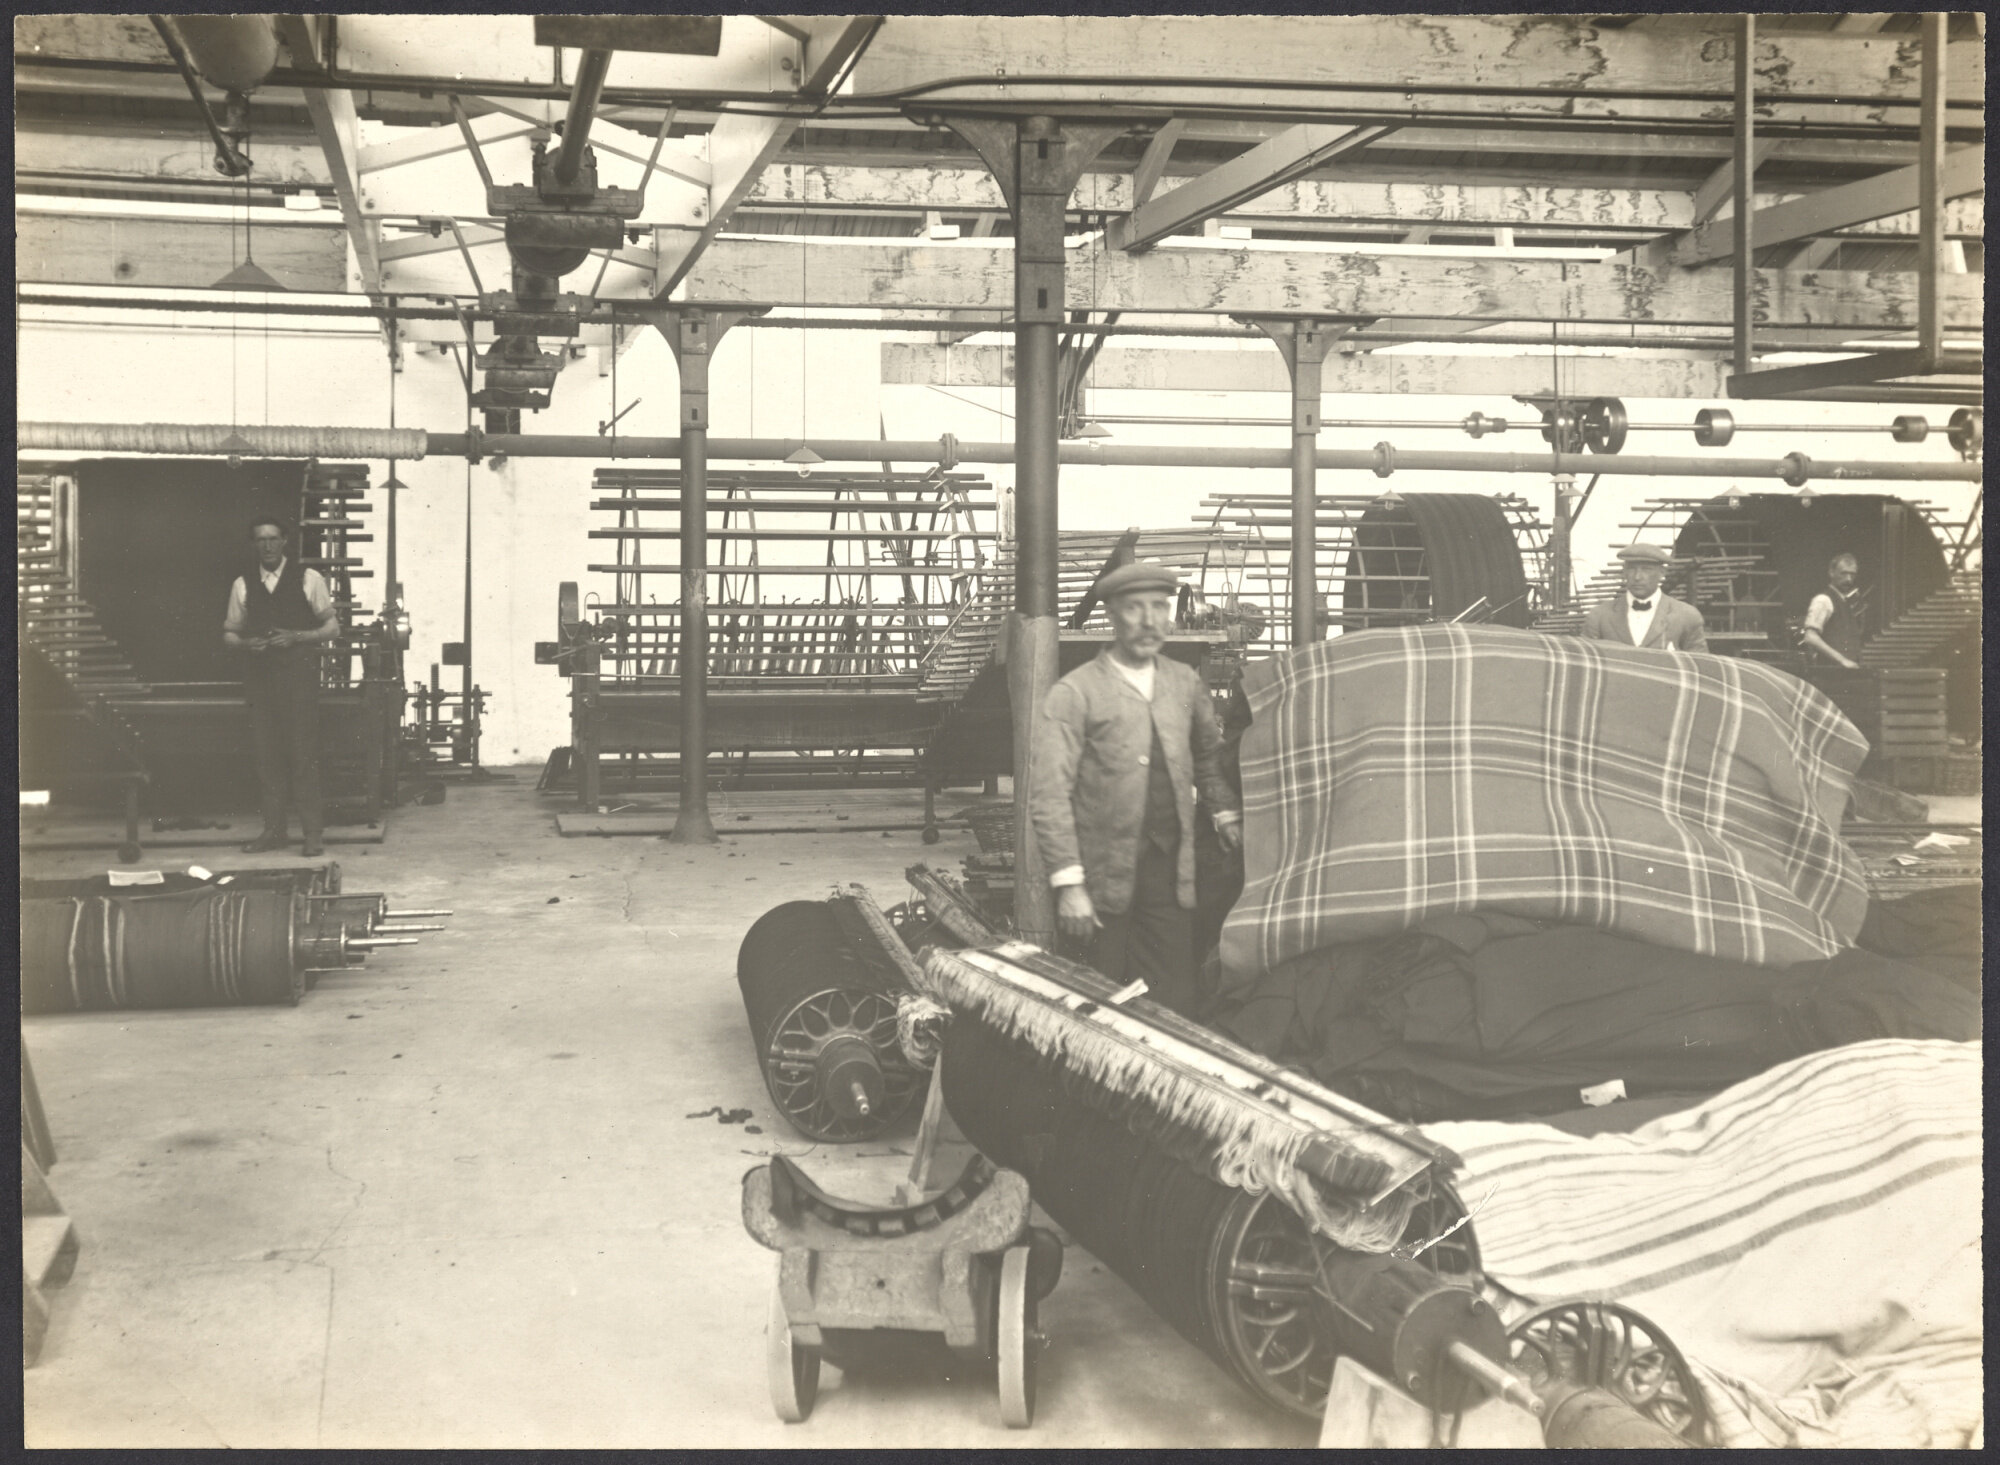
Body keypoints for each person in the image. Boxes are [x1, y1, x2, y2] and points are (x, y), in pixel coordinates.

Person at [1030, 561, 1242, 1017]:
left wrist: (1224, 811)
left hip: (1169, 875)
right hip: (1098, 880)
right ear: (1112, 615)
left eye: (1159, 607)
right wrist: (1069, 885)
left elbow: (1208, 755)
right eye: (1134, 609)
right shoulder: (1076, 693)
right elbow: (1049, 795)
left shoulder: (1183, 683)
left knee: (1174, 1002)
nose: (1150, 621)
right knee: (1090, 1008)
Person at [223, 515, 339, 855]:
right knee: (267, 758)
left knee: (302, 757)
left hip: (298, 681)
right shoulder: (242, 584)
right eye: (261, 540)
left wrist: (298, 637)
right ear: (254, 544)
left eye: (273, 538)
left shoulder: (308, 578)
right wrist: (246, 644)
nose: (268, 545)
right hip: (261, 684)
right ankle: (274, 832)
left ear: (285, 541)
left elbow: (332, 628)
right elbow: (229, 634)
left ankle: (312, 835)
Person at [1580, 542, 1708, 651]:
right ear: (1624, 572)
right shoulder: (1599, 616)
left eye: (1646, 569)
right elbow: (1587, 665)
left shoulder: (1686, 616)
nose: (1637, 577)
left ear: (1662, 572)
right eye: (1632, 569)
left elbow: (1700, 669)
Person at [1799, 552, 1865, 669]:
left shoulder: (1845, 602)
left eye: (1852, 575)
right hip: (1830, 674)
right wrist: (1843, 660)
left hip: (1845, 674)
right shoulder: (1823, 600)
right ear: (1831, 573)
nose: (1848, 579)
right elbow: (1810, 637)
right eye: (1843, 574)